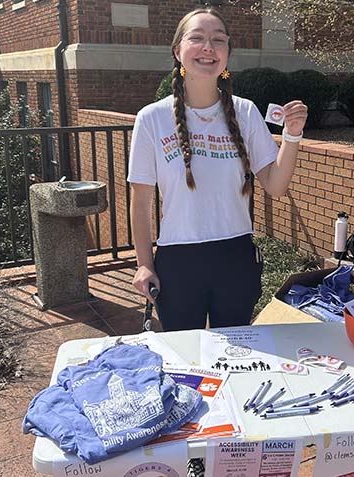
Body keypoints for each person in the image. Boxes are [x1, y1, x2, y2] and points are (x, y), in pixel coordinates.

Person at [128, 8, 308, 332]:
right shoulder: (151, 119)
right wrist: (144, 264)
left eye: (218, 40)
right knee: (187, 362)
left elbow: (276, 185)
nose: (208, 47)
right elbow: (141, 202)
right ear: (177, 51)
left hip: (235, 258)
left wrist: (292, 135)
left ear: (227, 53)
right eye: (197, 38)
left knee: (236, 358)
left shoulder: (246, 111)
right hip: (178, 261)